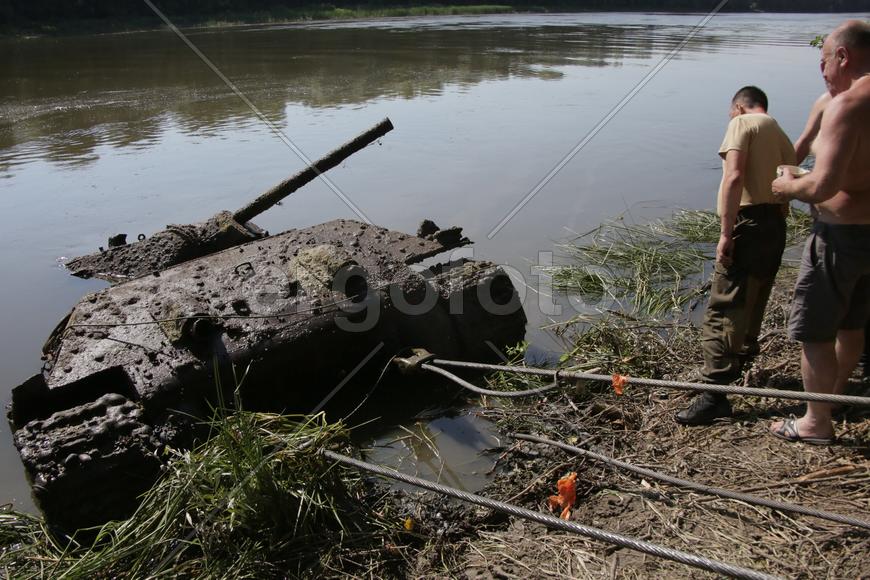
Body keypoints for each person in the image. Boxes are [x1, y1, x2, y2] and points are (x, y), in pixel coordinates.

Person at [770, 20, 870, 444]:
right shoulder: (837, 101)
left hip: (840, 237)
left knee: (815, 330)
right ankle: (836, 393)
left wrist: (785, 186)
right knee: (853, 324)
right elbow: (811, 145)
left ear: (843, 57)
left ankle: (815, 422)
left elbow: (822, 186)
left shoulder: (849, 104)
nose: (821, 71)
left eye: (824, 61)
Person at [676, 86, 796, 425]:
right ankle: (736, 371)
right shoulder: (781, 134)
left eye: (730, 114)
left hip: (748, 222)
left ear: (739, 108)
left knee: (723, 307)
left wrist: (726, 232)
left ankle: (715, 396)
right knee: (754, 300)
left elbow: (734, 177)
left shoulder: (743, 124)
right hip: (775, 224)